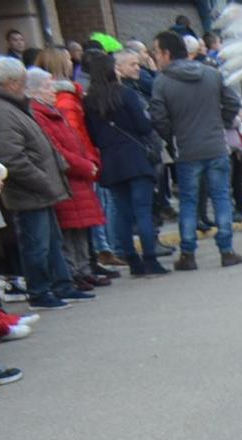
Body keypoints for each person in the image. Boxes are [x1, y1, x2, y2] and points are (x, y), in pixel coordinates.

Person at [0, 56, 94, 309]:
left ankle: (62, 285)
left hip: (42, 186)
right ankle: (40, 292)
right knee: (36, 244)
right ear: (13, 82)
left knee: (51, 242)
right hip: (29, 191)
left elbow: (40, 143)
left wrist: (55, 168)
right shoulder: (1, 110)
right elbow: (12, 157)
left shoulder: (14, 106)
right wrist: (43, 180)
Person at [148, 28, 242, 268]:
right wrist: (220, 122)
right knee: (221, 197)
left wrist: (172, 137)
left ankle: (188, 253)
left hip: (187, 148)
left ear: (167, 53)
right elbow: (232, 102)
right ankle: (226, 249)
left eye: (156, 52)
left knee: (189, 201)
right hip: (215, 144)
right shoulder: (211, 74)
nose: (155, 57)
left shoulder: (162, 82)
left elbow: (158, 117)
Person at [25, 67, 110, 290]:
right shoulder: (40, 115)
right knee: (69, 230)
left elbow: (77, 140)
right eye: (46, 86)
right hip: (67, 178)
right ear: (32, 91)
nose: (52, 90)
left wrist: (91, 160)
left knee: (81, 228)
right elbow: (58, 150)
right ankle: (73, 273)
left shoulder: (54, 112)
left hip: (78, 177)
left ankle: (83, 269)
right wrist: (85, 165)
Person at [84, 50, 164, 275]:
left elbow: (92, 135)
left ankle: (133, 261)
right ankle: (150, 259)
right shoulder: (125, 94)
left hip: (110, 160)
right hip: (135, 157)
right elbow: (143, 126)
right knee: (143, 211)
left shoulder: (89, 101)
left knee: (122, 213)